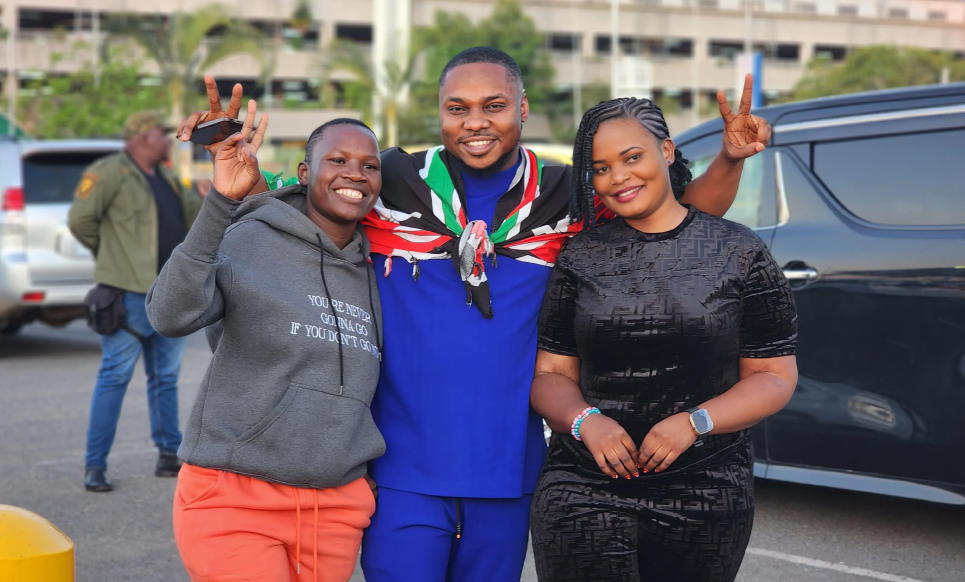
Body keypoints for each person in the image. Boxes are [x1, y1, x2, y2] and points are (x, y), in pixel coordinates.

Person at [179, 46, 771, 581]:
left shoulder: (566, 195)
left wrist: (730, 160)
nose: (476, 122)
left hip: (507, 470)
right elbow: (310, 194)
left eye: (493, 105)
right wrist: (235, 164)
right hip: (401, 470)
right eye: (457, 107)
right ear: (439, 112)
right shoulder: (393, 181)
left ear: (522, 107)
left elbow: (674, 220)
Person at [529, 97, 799, 581]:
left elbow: (774, 377)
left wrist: (696, 422)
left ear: (667, 151)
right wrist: (585, 421)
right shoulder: (579, 257)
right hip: (584, 486)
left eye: (632, 157)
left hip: (707, 488)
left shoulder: (739, 251)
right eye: (601, 168)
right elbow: (550, 373)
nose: (619, 177)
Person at [147, 104, 385, 582]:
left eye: (369, 165)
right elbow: (169, 315)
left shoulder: (380, 269)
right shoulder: (252, 238)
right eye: (337, 160)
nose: (354, 174)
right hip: (235, 495)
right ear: (305, 171)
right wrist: (220, 202)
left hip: (335, 508)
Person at [68, 111, 204, 492]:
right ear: (144, 136)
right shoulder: (110, 171)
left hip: (169, 294)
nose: (167, 141)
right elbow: (81, 220)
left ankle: (167, 454)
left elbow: (192, 220)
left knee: (166, 379)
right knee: (114, 377)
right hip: (127, 294)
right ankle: (95, 465)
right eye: (162, 134)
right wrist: (112, 257)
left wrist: (205, 195)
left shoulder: (167, 179)